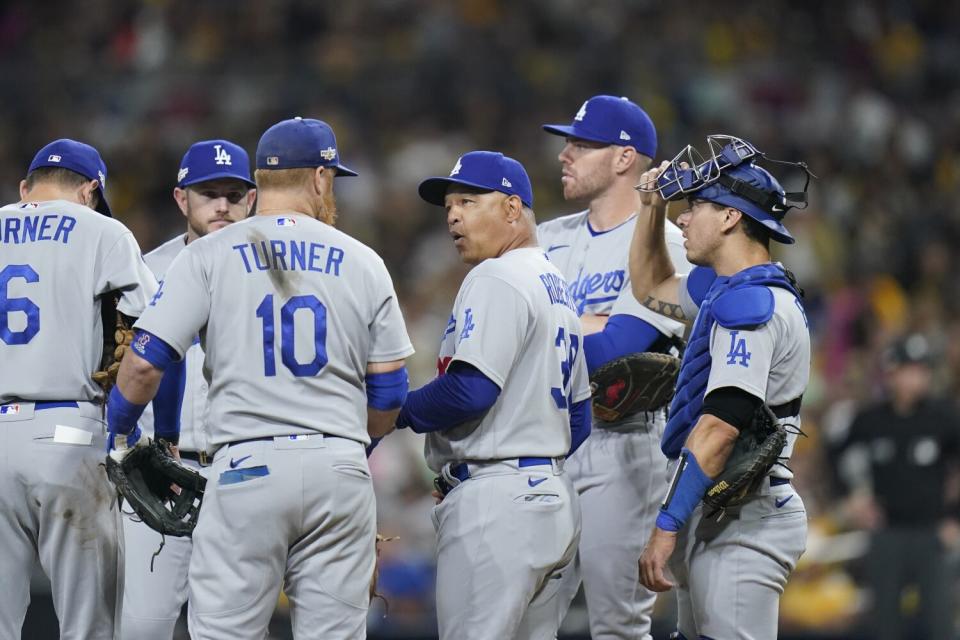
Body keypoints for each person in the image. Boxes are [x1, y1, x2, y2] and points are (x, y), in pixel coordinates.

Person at [105, 117, 414, 639]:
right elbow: (389, 390)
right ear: (319, 179)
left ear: (258, 185)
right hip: (338, 467)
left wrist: (118, 433)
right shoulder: (365, 260)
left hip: (246, 466)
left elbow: (142, 364)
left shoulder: (206, 255)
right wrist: (356, 448)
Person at [394, 150, 591, 640]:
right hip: (552, 499)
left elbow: (470, 390)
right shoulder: (556, 285)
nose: (454, 216)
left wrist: (396, 411)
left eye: (467, 201)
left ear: (510, 210)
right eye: (448, 208)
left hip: (498, 506)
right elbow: (581, 418)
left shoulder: (497, 275)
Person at [631, 135, 812, 639]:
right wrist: (650, 210)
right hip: (719, 510)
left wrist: (665, 526)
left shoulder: (750, 307)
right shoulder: (725, 288)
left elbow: (718, 428)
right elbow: (649, 286)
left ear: (731, 217)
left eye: (695, 207)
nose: (682, 218)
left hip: (746, 516)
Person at [538, 94, 690, 639]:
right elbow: (499, 341)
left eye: (582, 143)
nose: (566, 153)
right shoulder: (544, 239)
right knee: (525, 619)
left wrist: (557, 330)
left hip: (624, 443)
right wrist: (587, 323)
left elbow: (617, 350)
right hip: (548, 441)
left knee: (616, 626)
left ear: (625, 157)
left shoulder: (666, 244)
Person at [0, 139, 157, 639]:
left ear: (26, 188)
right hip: (67, 431)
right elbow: (152, 336)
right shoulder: (103, 231)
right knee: (88, 625)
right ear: (90, 191)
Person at [119, 139, 257, 639]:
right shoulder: (141, 273)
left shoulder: (273, 273)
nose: (222, 205)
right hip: (157, 473)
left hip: (239, 471)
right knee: (141, 628)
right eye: (208, 193)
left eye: (234, 194)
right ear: (182, 200)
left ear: (253, 200)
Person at [836, 333, 960, 640]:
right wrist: (851, 498)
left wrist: (955, 517)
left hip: (932, 533)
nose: (917, 377)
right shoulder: (870, 420)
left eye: (922, 369)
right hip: (886, 532)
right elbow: (836, 456)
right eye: (909, 369)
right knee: (885, 626)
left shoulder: (943, 416)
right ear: (892, 374)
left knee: (939, 624)